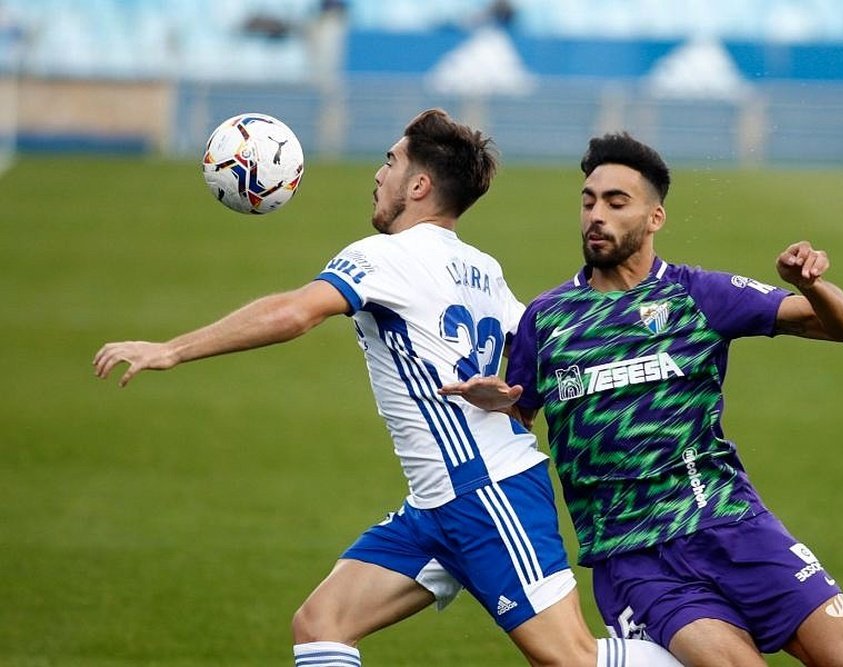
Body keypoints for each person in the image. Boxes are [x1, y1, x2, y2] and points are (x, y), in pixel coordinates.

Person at [93, 111, 680, 667]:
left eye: (391, 161)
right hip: (435, 503)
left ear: (420, 184)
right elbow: (540, 352)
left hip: (486, 494)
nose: (379, 173)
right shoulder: (482, 268)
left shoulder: (382, 257)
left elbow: (297, 312)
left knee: (568, 657)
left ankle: (715, 654)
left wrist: (172, 349)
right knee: (321, 623)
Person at [440, 133, 843, 666]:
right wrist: (498, 401)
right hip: (635, 558)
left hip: (733, 524)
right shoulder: (548, 317)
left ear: (655, 218)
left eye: (615, 202)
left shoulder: (697, 295)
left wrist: (810, 285)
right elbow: (522, 412)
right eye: (588, 201)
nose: (595, 215)